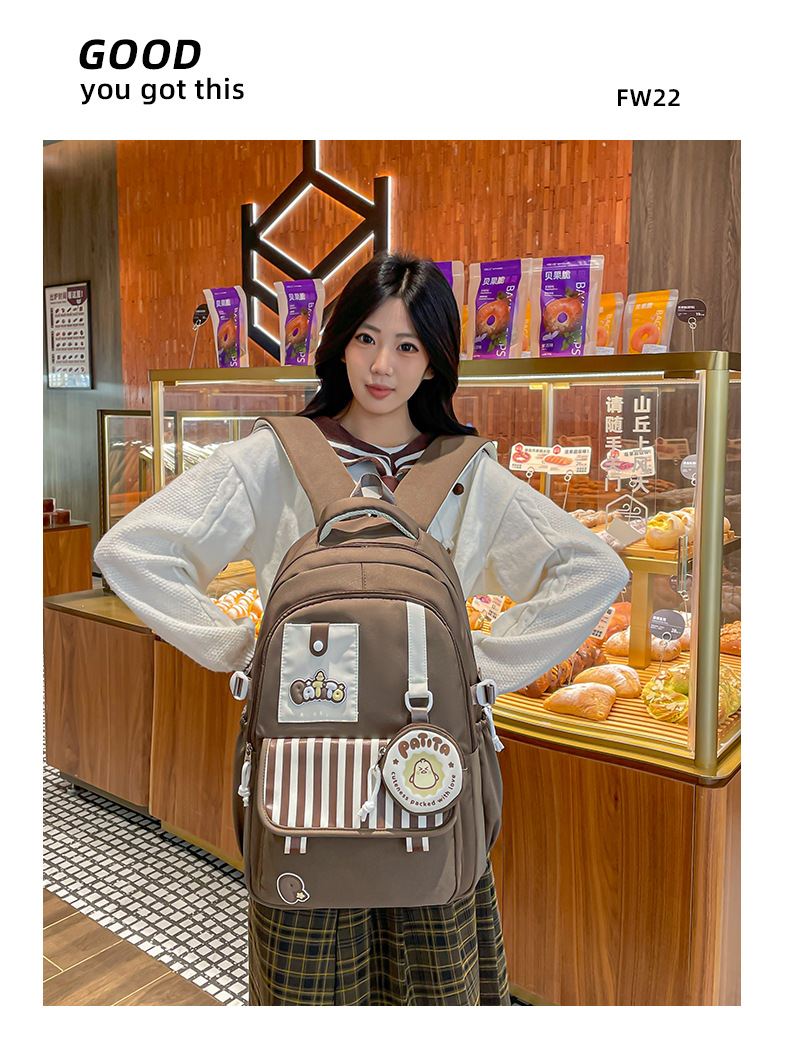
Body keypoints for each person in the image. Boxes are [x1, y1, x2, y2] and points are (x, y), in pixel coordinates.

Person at [94, 252, 629, 1006]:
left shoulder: (464, 470)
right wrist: (247, 651)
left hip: (315, 775)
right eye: (367, 339)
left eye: (408, 346)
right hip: (425, 770)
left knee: (317, 980)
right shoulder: (275, 457)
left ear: (435, 362)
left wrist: (476, 668)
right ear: (339, 343)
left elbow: (595, 569)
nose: (383, 366)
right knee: (428, 979)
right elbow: (130, 550)